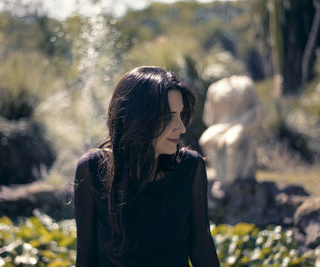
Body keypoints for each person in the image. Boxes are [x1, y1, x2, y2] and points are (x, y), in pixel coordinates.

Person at [74, 66, 220, 267]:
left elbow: (202, 251)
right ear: (138, 118)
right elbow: (85, 258)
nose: (181, 127)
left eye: (180, 114)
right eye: (169, 116)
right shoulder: (91, 169)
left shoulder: (190, 167)